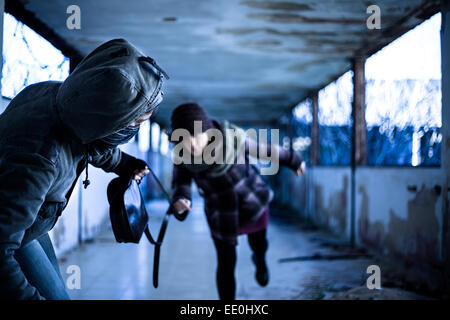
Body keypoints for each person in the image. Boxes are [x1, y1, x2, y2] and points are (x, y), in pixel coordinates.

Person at [0, 38, 168, 300]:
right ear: (108, 117)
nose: (135, 128)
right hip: (9, 231)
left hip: (27, 225)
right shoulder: (40, 158)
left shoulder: (59, 99)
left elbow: (86, 142)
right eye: (134, 120)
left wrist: (125, 163)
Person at [170, 103, 305, 300]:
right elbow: (180, 184)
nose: (191, 144)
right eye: (183, 138)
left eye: (195, 135)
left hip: (253, 201)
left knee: (259, 244)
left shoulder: (232, 138)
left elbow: (266, 151)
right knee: (226, 263)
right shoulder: (182, 158)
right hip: (221, 212)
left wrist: (294, 159)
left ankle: (259, 260)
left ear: (207, 131)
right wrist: (181, 200)